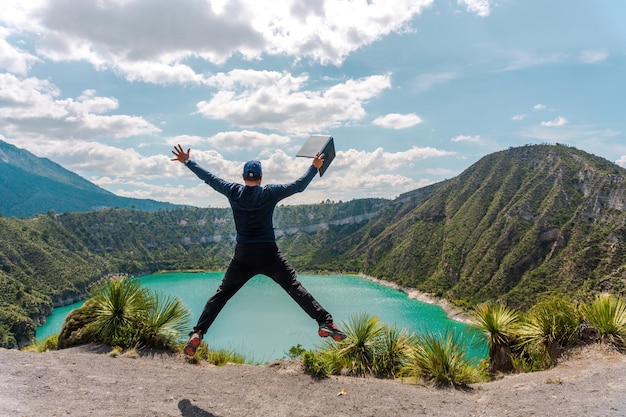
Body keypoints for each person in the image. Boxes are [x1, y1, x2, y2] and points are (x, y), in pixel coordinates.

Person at [171, 144, 347, 357]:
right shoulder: (269, 193)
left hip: (243, 255)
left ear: (243, 176)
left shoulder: (233, 191)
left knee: (223, 294)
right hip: (268, 253)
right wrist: (314, 166)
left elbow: (209, 178)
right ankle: (324, 322)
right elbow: (299, 186)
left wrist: (188, 161)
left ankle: (198, 332)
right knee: (292, 286)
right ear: (261, 177)